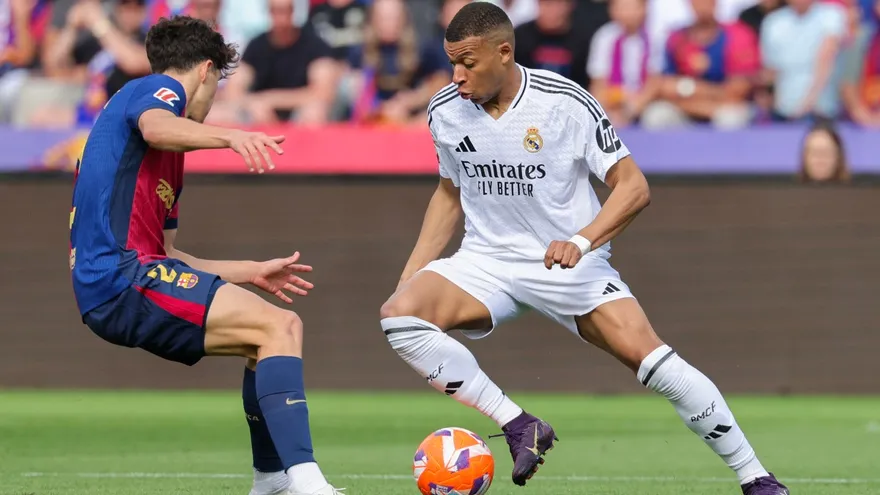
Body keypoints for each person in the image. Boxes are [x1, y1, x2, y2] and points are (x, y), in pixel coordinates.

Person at [378, 3, 790, 494]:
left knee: (656, 363)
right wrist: (413, 272)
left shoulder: (564, 101)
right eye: (452, 63)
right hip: (486, 261)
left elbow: (633, 186)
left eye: (468, 62)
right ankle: (518, 424)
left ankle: (756, 478)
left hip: (569, 264)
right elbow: (450, 192)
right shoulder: (444, 109)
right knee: (399, 316)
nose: (457, 76)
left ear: (504, 52)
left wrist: (582, 241)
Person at [68, 16, 342, 495]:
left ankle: (273, 479)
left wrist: (251, 272)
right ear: (206, 71)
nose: (213, 96)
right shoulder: (156, 91)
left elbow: (169, 255)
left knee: (266, 339)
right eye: (216, 84)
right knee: (283, 327)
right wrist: (232, 136)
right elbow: (157, 126)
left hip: (121, 281)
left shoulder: (167, 156)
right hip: (120, 277)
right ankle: (304, 483)